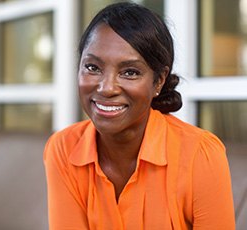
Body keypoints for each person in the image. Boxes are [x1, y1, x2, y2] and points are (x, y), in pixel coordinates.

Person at [43, 2, 235, 229]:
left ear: (159, 81)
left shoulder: (200, 155)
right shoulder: (64, 149)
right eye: (93, 67)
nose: (107, 88)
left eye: (130, 72)